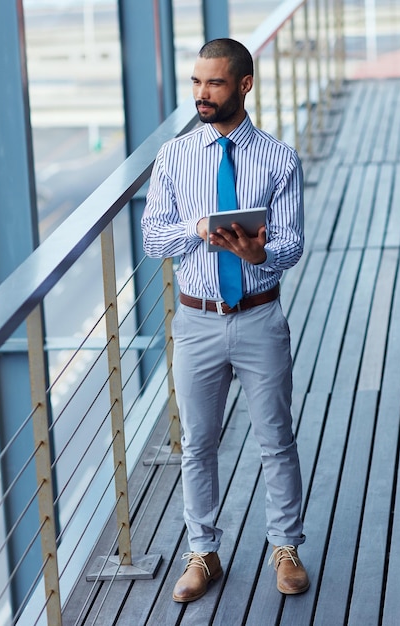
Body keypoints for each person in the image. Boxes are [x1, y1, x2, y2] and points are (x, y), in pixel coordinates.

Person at [141, 37, 308, 603]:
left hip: (260, 317)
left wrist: (261, 255)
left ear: (244, 84)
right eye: (195, 82)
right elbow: (152, 240)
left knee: (276, 440)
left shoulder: (279, 158)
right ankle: (203, 552)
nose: (201, 94)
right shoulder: (174, 158)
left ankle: (285, 547)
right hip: (197, 322)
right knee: (198, 444)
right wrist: (196, 229)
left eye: (213, 83)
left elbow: (291, 242)